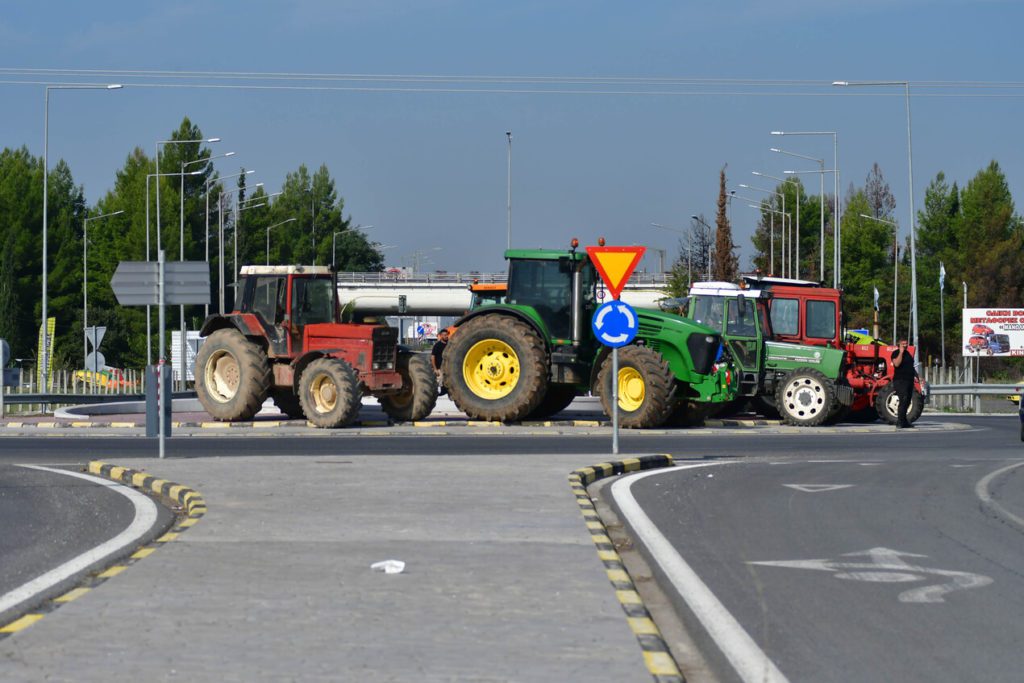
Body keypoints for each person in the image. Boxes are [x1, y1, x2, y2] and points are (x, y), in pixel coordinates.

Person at [891, 339, 917, 428]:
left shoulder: (908, 354)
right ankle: (899, 422)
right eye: (903, 344)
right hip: (900, 381)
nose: (905, 345)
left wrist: (918, 377)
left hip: (909, 380)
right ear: (899, 344)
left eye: (906, 343)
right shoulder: (895, 353)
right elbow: (897, 364)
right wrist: (901, 353)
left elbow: (911, 367)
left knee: (908, 401)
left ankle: (904, 421)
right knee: (903, 399)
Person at [431, 328, 450, 396]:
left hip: (448, 366)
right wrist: (435, 368)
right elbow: (433, 357)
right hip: (440, 367)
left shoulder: (450, 344)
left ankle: (448, 391)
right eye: (444, 335)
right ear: (441, 336)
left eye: (446, 335)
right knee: (441, 379)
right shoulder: (437, 345)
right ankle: (443, 391)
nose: (446, 336)